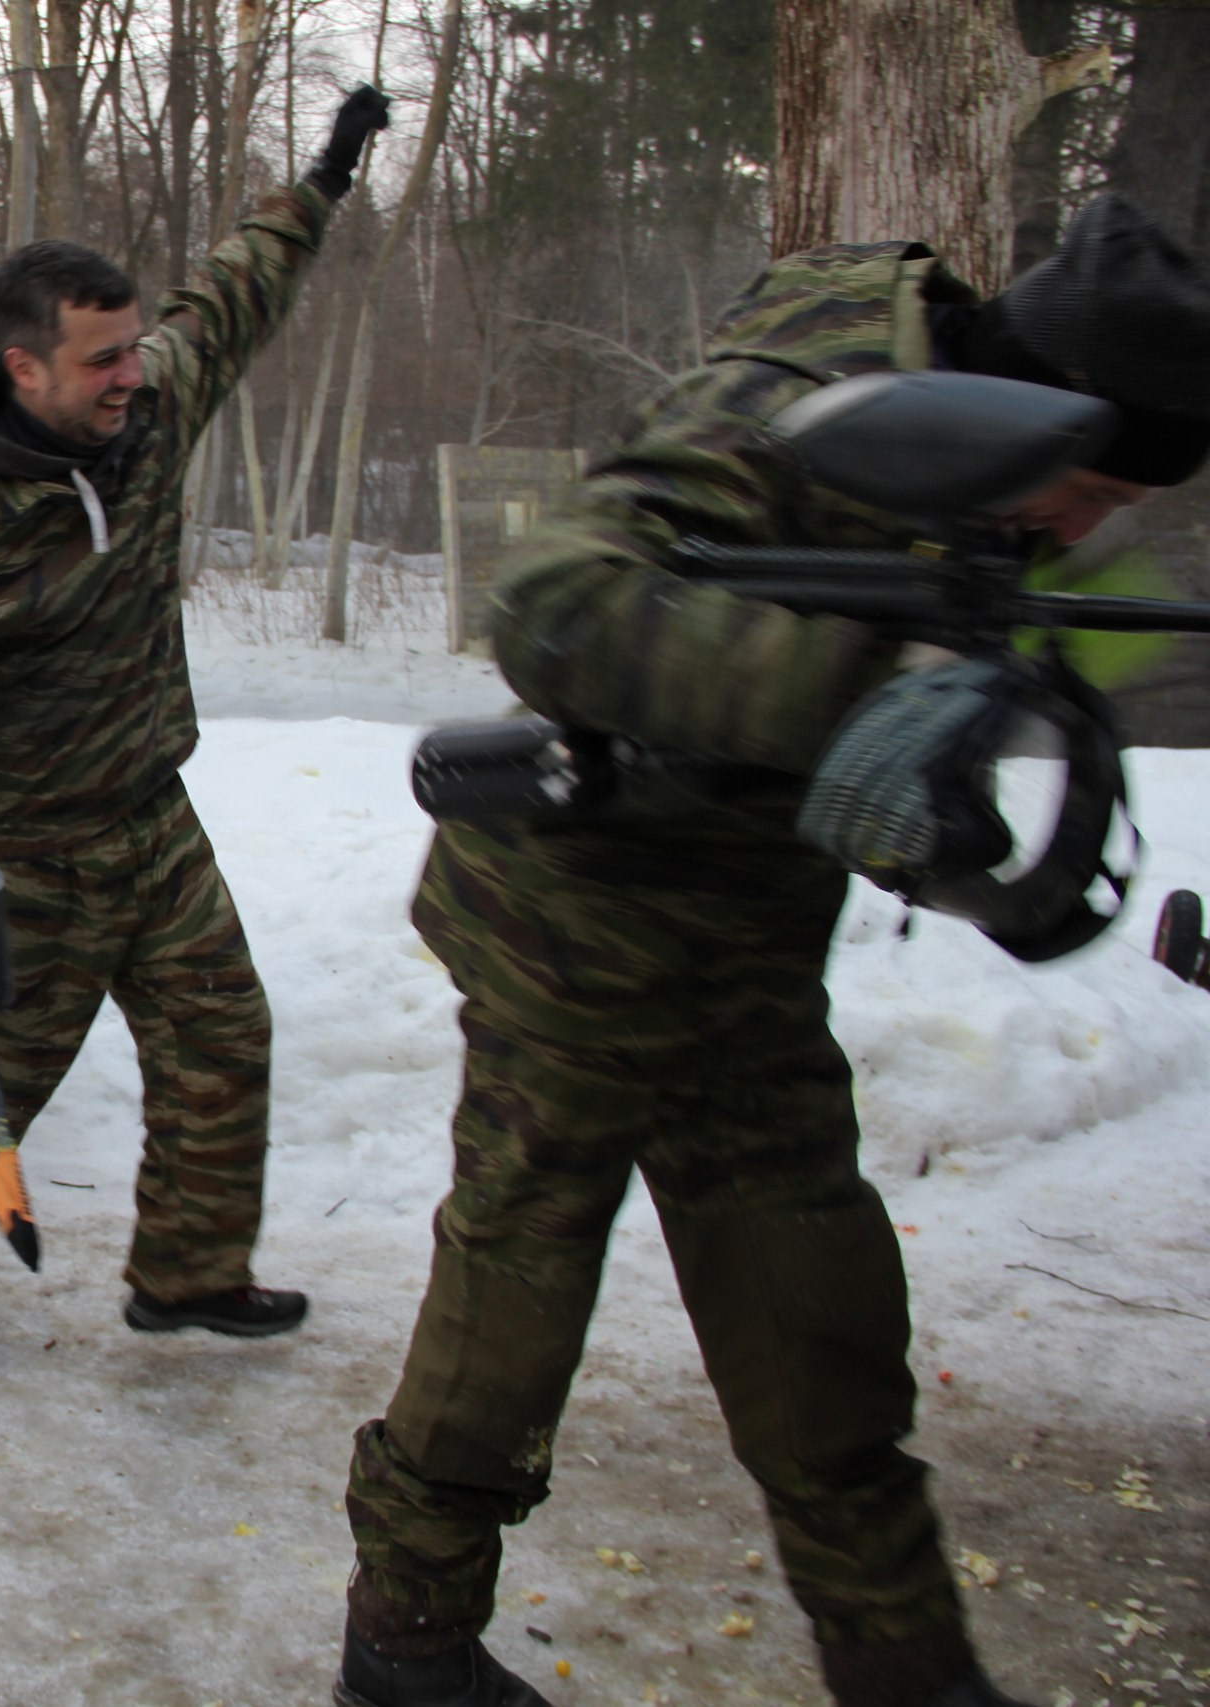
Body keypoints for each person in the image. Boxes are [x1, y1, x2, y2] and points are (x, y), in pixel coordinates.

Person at [330, 193, 1210, 1707]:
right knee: (516, 1304)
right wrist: (863, 691)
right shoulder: (787, 409)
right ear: (1039, 415)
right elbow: (556, 604)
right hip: (576, 937)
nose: (1086, 526)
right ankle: (404, 1644)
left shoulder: (976, 477)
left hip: (742, 947)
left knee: (821, 1316)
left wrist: (993, 699)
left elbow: (980, 669)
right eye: (1096, 488)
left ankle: (913, 1668)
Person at [0, 84, 392, 1377]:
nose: (134, 373)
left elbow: (235, 291)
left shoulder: (148, 410)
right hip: (24, 857)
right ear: (20, 367)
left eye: (134, 348)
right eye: (103, 359)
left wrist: (325, 181)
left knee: (222, 1035)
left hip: (152, 818)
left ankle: (186, 1269)